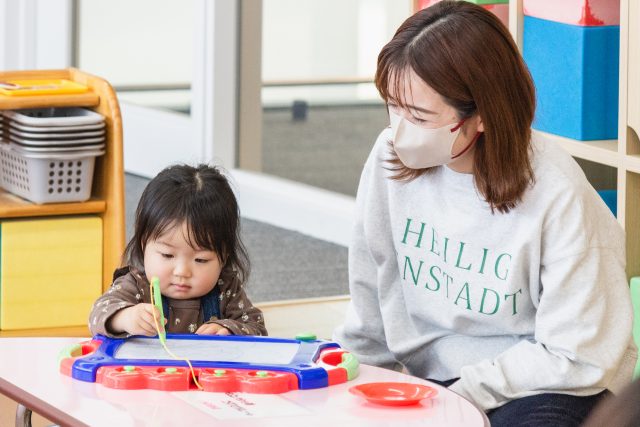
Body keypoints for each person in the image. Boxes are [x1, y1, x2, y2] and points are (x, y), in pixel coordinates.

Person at [333, 1, 636, 426]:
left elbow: (577, 354)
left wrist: (459, 397)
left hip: (550, 382)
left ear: (483, 117)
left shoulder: (557, 191)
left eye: (419, 116)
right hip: (437, 378)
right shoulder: (388, 158)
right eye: (393, 107)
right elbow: (370, 287)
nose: (399, 129)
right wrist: (345, 376)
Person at [89, 164, 267, 338]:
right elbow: (97, 315)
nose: (182, 271)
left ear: (224, 255)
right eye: (167, 255)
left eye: (201, 260)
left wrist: (228, 329)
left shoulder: (225, 288)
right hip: (149, 368)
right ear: (144, 245)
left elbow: (257, 328)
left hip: (205, 368)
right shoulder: (136, 284)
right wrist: (126, 318)